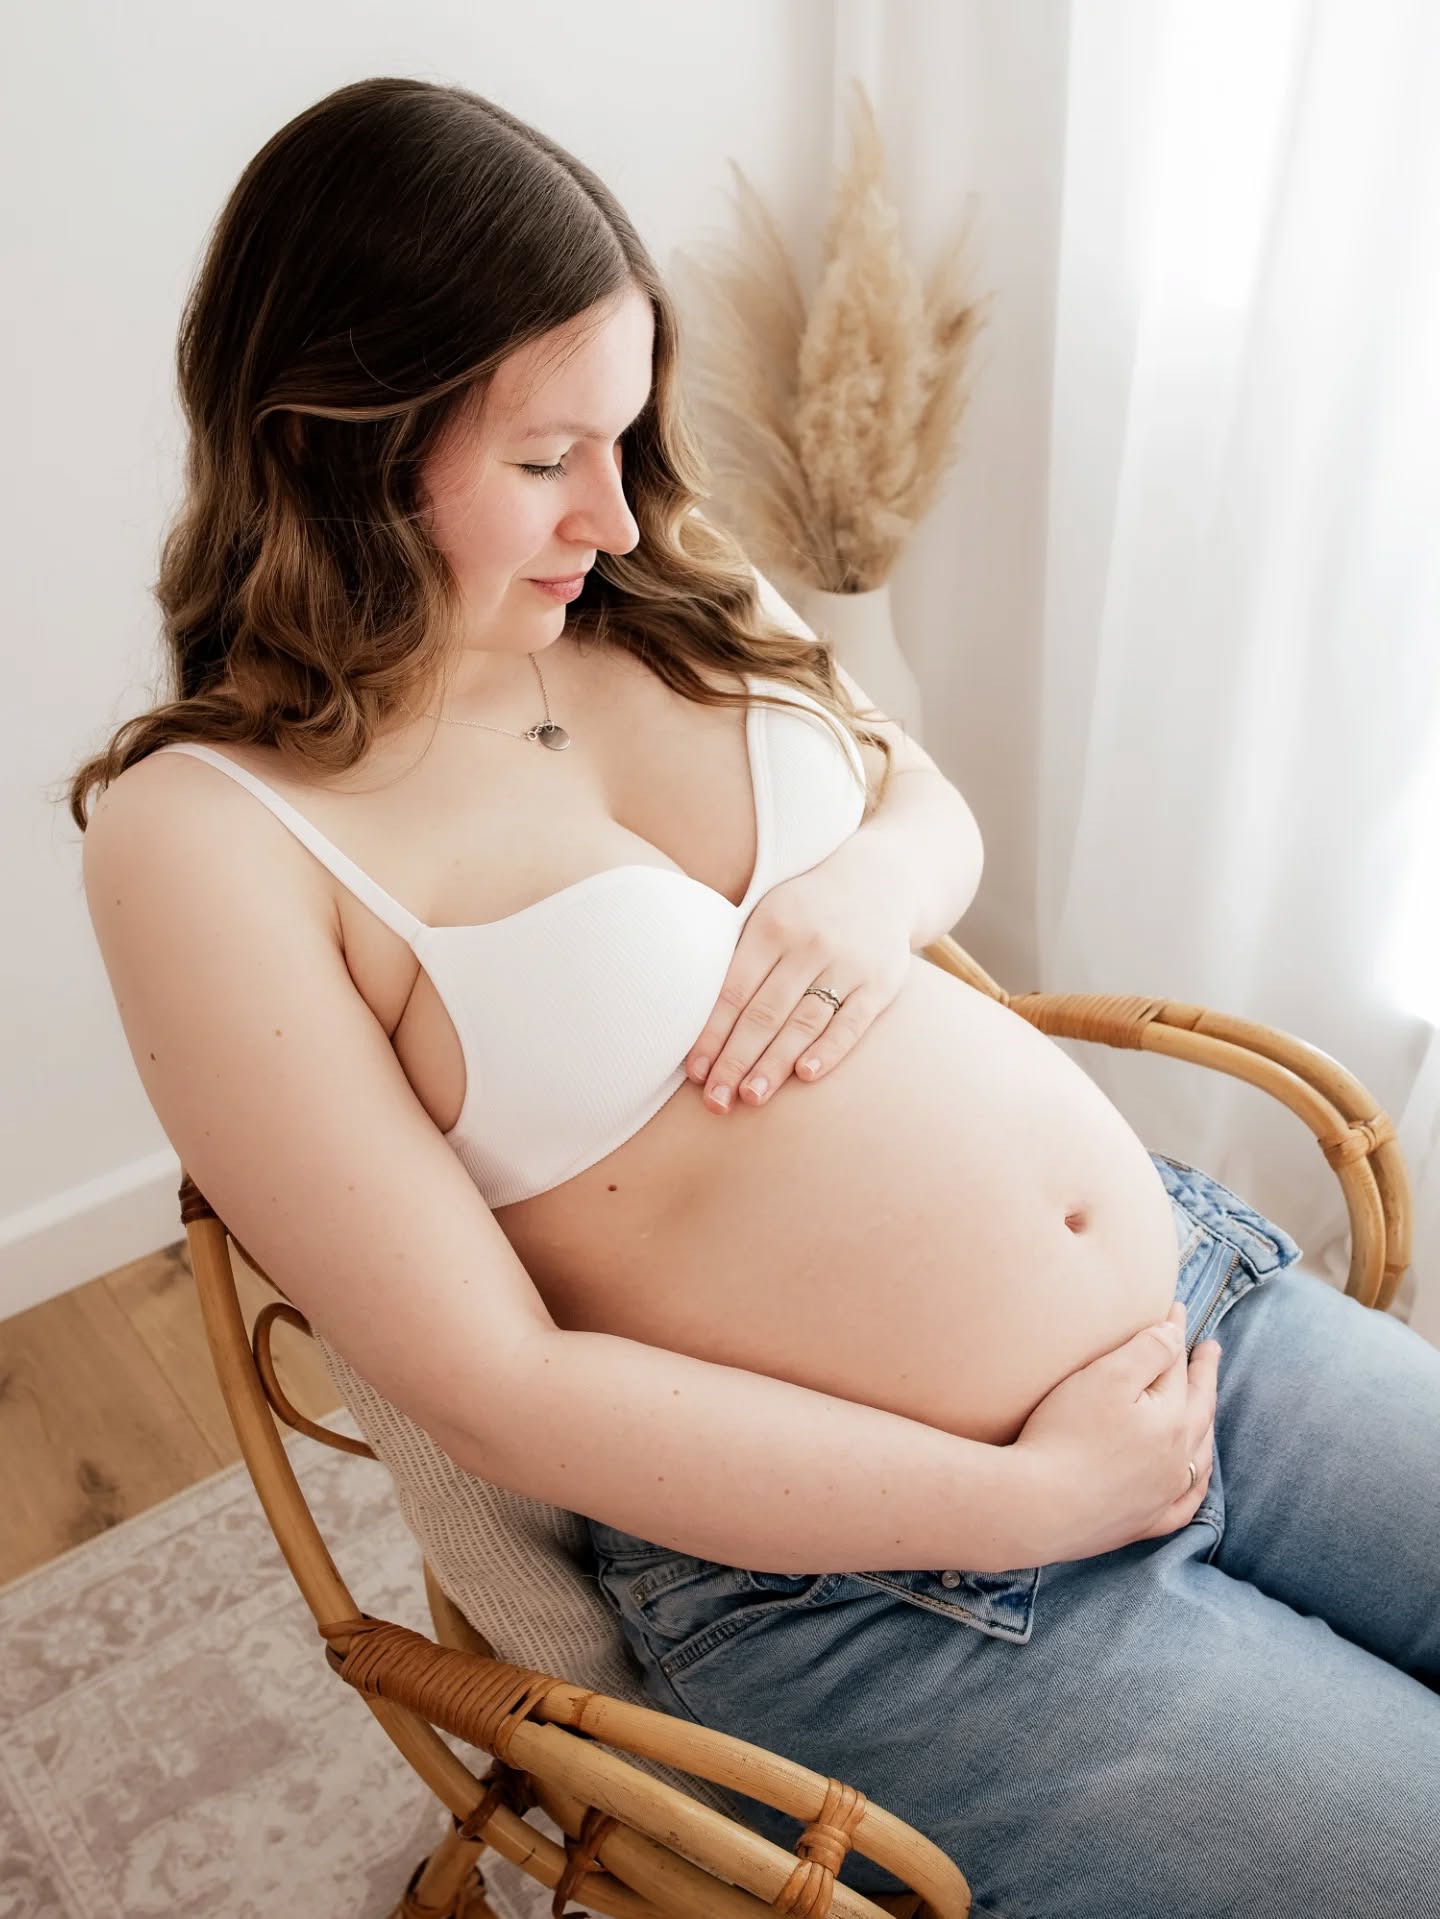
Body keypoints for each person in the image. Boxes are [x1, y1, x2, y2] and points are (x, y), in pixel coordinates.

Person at [69, 78, 1439, 1918]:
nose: (620, 517)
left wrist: (870, 892)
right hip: (904, 1585)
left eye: (627, 438)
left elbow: (917, 802)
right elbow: (497, 1384)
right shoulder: (207, 836)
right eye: (548, 458)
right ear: (330, 435)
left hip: (1202, 1314)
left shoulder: (655, 586)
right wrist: (1029, 1507)